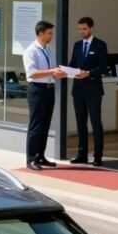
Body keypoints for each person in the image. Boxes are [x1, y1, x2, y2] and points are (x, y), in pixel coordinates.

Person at [23, 20, 67, 171]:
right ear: (40, 34)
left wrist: (60, 73)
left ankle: (41, 155)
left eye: (52, 33)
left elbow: (52, 70)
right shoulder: (31, 51)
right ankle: (31, 159)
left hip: (49, 88)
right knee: (35, 125)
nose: (51, 36)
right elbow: (32, 73)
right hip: (37, 90)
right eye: (49, 33)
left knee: (45, 124)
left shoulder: (48, 50)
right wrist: (51, 72)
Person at [68, 17, 108, 166]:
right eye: (80, 29)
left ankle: (98, 155)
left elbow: (103, 67)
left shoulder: (100, 45)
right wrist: (65, 71)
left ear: (91, 28)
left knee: (95, 122)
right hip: (78, 89)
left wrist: (89, 73)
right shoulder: (77, 45)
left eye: (84, 29)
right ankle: (82, 153)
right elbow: (73, 64)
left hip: (93, 89)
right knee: (80, 122)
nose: (81, 32)